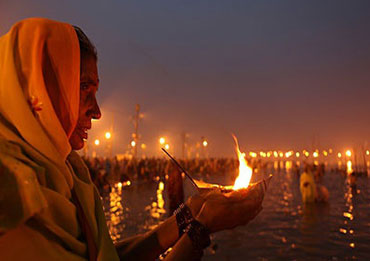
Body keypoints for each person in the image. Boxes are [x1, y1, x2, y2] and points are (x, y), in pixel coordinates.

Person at [0, 18, 263, 260]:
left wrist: (190, 214)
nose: (97, 111)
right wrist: (200, 228)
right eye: (83, 88)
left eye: (95, 90)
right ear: (38, 88)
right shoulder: (11, 197)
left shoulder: (69, 175)